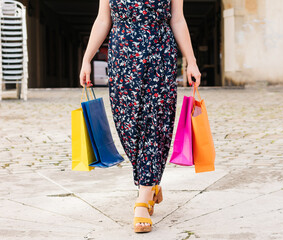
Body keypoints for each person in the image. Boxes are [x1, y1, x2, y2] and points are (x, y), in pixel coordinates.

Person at [79, 0, 201, 233]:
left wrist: (191, 62)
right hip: (122, 57)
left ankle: (143, 198)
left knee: (157, 123)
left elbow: (177, 19)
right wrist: (87, 59)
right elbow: (104, 19)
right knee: (127, 124)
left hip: (160, 56)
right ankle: (151, 181)